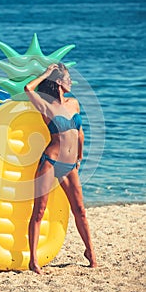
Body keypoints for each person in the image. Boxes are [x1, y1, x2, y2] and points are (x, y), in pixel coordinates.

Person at [24, 63, 97, 274]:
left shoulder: (74, 104)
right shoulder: (47, 105)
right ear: (58, 82)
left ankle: (90, 252)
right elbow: (28, 89)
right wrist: (46, 73)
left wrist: (80, 156)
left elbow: (80, 132)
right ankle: (33, 260)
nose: (71, 82)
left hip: (69, 165)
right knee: (39, 211)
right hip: (50, 162)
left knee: (80, 210)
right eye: (68, 78)